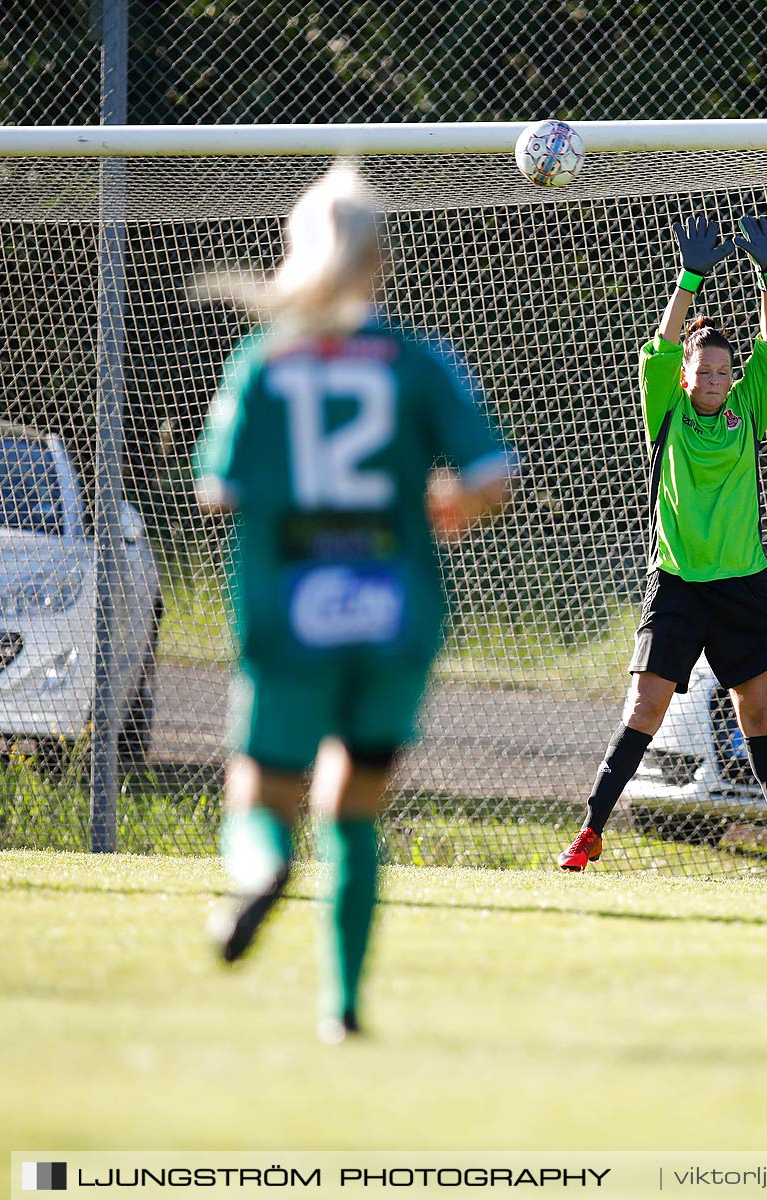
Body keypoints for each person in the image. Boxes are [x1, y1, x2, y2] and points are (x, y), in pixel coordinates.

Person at [196, 166, 514, 1040]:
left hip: (290, 607)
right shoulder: (417, 361)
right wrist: (449, 504)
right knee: (355, 808)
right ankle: (341, 1008)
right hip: (395, 607)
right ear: (379, 263)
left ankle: (261, 874)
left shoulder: (265, 361)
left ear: (299, 255)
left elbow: (218, 492)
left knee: (262, 795)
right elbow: (493, 477)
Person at [555, 214, 767, 883]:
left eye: (721, 371)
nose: (711, 378)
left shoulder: (747, 408)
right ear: (685, 377)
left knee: (756, 713)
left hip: (740, 586)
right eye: (702, 369)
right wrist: (689, 278)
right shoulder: (667, 409)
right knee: (645, 708)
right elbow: (659, 345)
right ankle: (590, 831)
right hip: (677, 584)